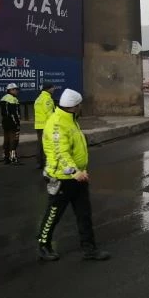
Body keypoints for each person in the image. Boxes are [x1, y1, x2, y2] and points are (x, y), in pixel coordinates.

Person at [37, 88, 110, 261]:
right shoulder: (57, 124)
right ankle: (43, 245)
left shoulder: (70, 120)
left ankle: (89, 248)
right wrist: (74, 172)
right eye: (80, 105)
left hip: (78, 177)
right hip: (62, 178)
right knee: (54, 213)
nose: (81, 107)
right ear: (75, 106)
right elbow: (60, 153)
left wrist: (80, 172)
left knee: (84, 213)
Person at [33, 82, 56, 170]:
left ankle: (39, 163)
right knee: (48, 145)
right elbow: (49, 113)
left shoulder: (38, 98)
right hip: (46, 126)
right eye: (53, 87)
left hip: (38, 125)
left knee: (40, 144)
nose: (54, 89)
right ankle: (48, 163)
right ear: (48, 89)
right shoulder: (47, 99)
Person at [0, 83, 22, 165]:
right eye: (15, 89)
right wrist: (17, 123)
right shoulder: (13, 99)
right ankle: (13, 158)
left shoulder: (3, 98)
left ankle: (6, 158)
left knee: (6, 140)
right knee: (14, 140)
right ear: (11, 90)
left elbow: (4, 113)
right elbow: (14, 113)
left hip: (5, 123)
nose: (17, 91)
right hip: (13, 123)